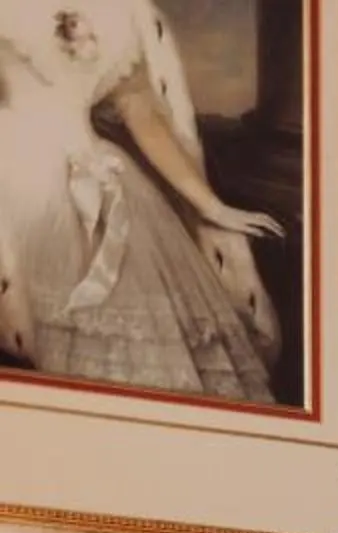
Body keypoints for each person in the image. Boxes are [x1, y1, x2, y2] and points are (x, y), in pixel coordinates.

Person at [0, 0, 285, 404]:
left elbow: (142, 113)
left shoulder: (119, 14)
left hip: (100, 174)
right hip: (13, 173)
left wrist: (211, 206)